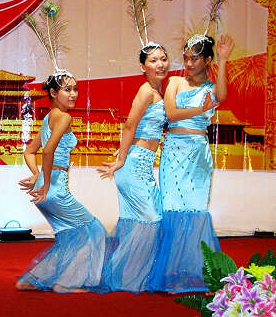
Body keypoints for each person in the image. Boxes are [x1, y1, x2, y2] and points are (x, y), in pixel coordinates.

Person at [150, 34, 234, 293]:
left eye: (194, 59)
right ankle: (169, 271)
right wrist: (200, 109)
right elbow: (171, 114)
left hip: (198, 153)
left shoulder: (212, 88)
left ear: (207, 60)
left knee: (196, 210)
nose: (188, 63)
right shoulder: (175, 82)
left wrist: (223, 59)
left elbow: (221, 96)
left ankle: (197, 271)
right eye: (186, 58)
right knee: (172, 208)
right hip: (174, 151)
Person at [17, 72, 106, 293]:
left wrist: (37, 176)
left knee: (69, 236)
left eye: (75, 89)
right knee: (95, 230)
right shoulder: (64, 117)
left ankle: (32, 280)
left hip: (47, 189)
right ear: (53, 93)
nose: (73, 94)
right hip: (54, 189)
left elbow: (29, 152)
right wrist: (46, 184)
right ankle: (65, 283)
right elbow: (47, 151)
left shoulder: (49, 117)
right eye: (67, 89)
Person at [97, 44, 169, 292]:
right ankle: (126, 277)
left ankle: (135, 276)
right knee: (150, 220)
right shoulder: (146, 91)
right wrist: (121, 158)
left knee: (148, 220)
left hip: (144, 166)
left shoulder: (159, 93)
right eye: (153, 61)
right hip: (133, 164)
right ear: (142, 67)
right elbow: (129, 125)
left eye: (163, 59)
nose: (160, 64)